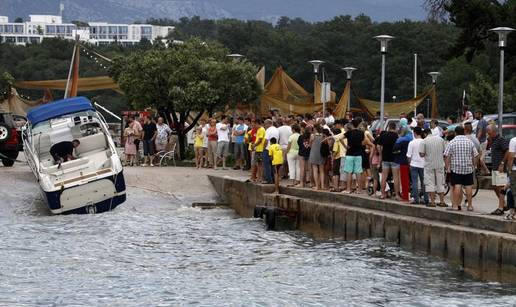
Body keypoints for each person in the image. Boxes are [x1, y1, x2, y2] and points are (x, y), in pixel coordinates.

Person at [444, 126, 479, 211]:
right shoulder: (469, 142)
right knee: (468, 186)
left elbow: (446, 156)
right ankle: (470, 206)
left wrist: (447, 166)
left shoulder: (452, 142)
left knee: (457, 186)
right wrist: (474, 165)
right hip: (468, 168)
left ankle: (455, 206)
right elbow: (476, 155)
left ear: (455, 133)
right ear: (463, 132)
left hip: (456, 168)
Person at [419, 126, 447, 207]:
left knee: (430, 183)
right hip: (440, 164)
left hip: (429, 165)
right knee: (440, 183)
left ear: (425, 134)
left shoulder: (424, 141)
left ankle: (432, 202)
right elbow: (444, 151)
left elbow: (421, 154)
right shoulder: (441, 139)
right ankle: (442, 201)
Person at [488, 124, 509, 215]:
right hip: (495, 167)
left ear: (493, 131)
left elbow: (507, 151)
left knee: (500, 187)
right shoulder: (493, 140)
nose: (488, 134)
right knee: (495, 186)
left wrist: (502, 163)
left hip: (500, 168)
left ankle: (500, 207)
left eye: (489, 132)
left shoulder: (501, 139)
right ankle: (503, 204)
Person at [377, 121, 400, 200]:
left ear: (389, 127)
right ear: (395, 128)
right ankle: (397, 195)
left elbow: (378, 145)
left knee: (384, 177)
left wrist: (381, 154)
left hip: (385, 158)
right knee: (396, 177)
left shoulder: (384, 135)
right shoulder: (397, 136)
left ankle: (383, 194)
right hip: (395, 159)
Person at [407, 127, 428, 205]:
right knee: (424, 182)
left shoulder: (411, 142)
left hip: (414, 164)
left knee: (414, 182)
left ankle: (416, 199)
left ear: (415, 133)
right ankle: (426, 199)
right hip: (423, 165)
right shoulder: (425, 142)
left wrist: (409, 164)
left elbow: (408, 156)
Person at [394, 124, 413, 201]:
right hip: (412, 162)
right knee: (410, 180)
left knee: (403, 179)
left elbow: (394, 149)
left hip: (402, 161)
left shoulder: (401, 140)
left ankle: (404, 196)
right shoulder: (412, 139)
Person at [309, 124, 326, 190]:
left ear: (315, 129)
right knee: (322, 171)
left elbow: (310, 146)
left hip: (313, 153)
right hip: (321, 154)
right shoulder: (323, 136)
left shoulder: (313, 136)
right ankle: (322, 186)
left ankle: (317, 186)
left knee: (315, 170)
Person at [263, 119, 279, 184]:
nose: (265, 126)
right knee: (272, 165)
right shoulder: (276, 130)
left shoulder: (268, 130)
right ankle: (273, 179)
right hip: (275, 149)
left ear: (268, 124)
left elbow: (266, 141)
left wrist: (263, 148)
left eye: (265, 124)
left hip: (268, 149)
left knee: (267, 165)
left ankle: (269, 180)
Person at [475, 110, 490, 175]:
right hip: (484, 141)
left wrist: (476, 141)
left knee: (480, 158)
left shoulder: (481, 122)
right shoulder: (484, 121)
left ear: (480, 114)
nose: (475, 116)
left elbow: (480, 132)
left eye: (476, 114)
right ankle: (482, 171)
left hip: (481, 142)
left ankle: (486, 170)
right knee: (481, 158)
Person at [505, 135, 516, 219]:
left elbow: (511, 156)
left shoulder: (513, 140)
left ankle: (514, 213)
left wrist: (509, 169)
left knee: (514, 192)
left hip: (515, 170)